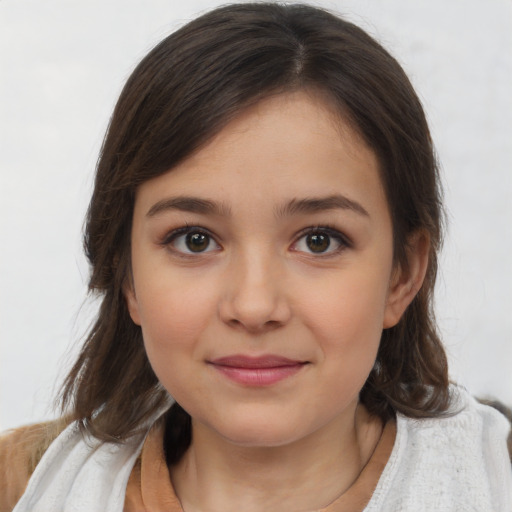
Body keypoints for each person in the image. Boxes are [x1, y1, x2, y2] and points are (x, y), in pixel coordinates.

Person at [1, 3, 511, 511]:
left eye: (319, 240)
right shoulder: (20, 484)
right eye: (194, 239)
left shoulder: (497, 477)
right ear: (127, 276)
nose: (253, 305)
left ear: (403, 274)